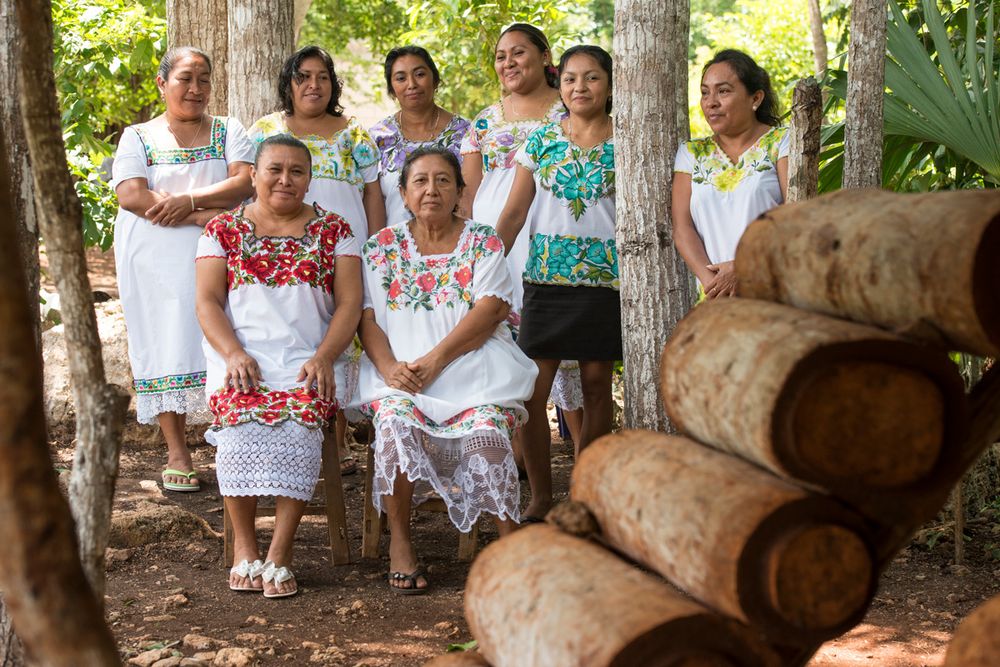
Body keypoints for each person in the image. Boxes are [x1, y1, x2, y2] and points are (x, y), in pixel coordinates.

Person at [356, 146, 537, 594]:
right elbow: (365, 318)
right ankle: (401, 544)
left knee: (489, 432)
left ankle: (508, 545)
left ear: (460, 190)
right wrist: (390, 368)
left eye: (443, 180)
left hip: (475, 369)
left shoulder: (483, 241)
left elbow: (491, 309)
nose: (431, 190)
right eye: (420, 181)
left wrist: (435, 360)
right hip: (402, 375)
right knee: (396, 422)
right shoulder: (379, 248)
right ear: (403, 192)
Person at [195, 134, 362, 598]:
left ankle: (280, 553)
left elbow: (349, 304)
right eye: (275, 169)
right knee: (236, 428)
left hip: (310, 357)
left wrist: (326, 356)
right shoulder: (222, 230)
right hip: (241, 356)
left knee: (300, 427)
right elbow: (207, 303)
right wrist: (233, 353)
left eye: (297, 172)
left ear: (310, 179)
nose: (285, 180)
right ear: (253, 174)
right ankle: (245, 549)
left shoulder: (336, 230)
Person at [111, 46, 254, 493]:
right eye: (185, 79)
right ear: (161, 83)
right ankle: (177, 451)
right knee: (164, 342)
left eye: (204, 79)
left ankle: (233, 445)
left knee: (231, 336)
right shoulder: (137, 136)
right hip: (153, 259)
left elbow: (245, 182)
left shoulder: (229, 129)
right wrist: (196, 216)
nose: (196, 89)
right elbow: (132, 194)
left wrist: (191, 204)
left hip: (220, 253)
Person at [250, 45, 386, 476]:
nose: (314, 85)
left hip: (347, 249)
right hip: (285, 252)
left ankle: (339, 438)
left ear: (333, 84)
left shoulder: (354, 133)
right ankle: (288, 430)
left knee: (343, 327)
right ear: (288, 83)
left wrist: (376, 249)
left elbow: (373, 194)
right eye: (303, 76)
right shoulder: (266, 130)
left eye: (323, 77)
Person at [497, 45, 619, 522]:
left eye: (591, 78)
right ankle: (541, 497)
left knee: (594, 385)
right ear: (560, 84)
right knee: (533, 391)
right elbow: (513, 211)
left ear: (608, 84)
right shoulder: (542, 141)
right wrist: (482, 264)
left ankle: (583, 496)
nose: (579, 88)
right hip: (545, 277)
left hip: (605, 281)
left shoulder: (628, 141)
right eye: (570, 79)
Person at [460, 22, 585, 475]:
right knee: (512, 342)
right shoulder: (485, 121)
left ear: (545, 55)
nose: (508, 62)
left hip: (556, 233)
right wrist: (475, 251)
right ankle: (516, 458)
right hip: (500, 239)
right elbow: (470, 195)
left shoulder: (569, 108)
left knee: (567, 353)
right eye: (501, 55)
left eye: (518, 52)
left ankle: (584, 457)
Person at [672, 49, 789, 298]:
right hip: (715, 297)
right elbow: (683, 227)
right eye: (705, 93)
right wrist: (713, 285)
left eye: (723, 91)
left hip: (774, 291)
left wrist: (742, 268)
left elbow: (797, 216)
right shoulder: (691, 153)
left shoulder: (783, 142)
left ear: (755, 98)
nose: (711, 102)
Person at [369, 46, 470, 226]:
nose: (412, 84)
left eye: (420, 74)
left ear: (435, 79)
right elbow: (372, 200)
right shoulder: (378, 138)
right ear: (392, 89)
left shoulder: (466, 133)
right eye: (401, 78)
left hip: (454, 244)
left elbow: (471, 196)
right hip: (394, 247)